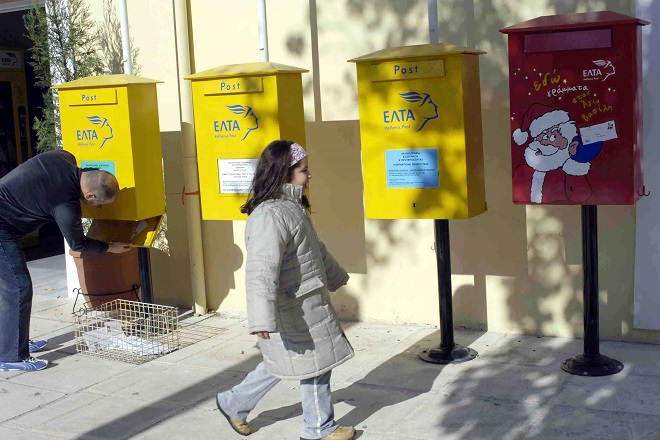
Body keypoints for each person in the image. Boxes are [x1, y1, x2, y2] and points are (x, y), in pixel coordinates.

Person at [216, 140, 356, 440]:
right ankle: (319, 428)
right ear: (285, 173)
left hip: (305, 301)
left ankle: (233, 403)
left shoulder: (291, 206)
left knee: (285, 362)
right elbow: (260, 271)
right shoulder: (269, 216)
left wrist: (335, 275)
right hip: (292, 306)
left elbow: (313, 249)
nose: (309, 176)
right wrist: (261, 318)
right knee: (316, 364)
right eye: (304, 171)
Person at [0, 149, 132, 372]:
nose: (97, 208)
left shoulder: (63, 159)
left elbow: (61, 155)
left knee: (15, 287)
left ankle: (14, 340)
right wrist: (112, 247)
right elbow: (78, 244)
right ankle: (11, 356)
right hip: (2, 229)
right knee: (18, 288)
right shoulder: (66, 205)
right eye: (99, 204)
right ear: (89, 196)